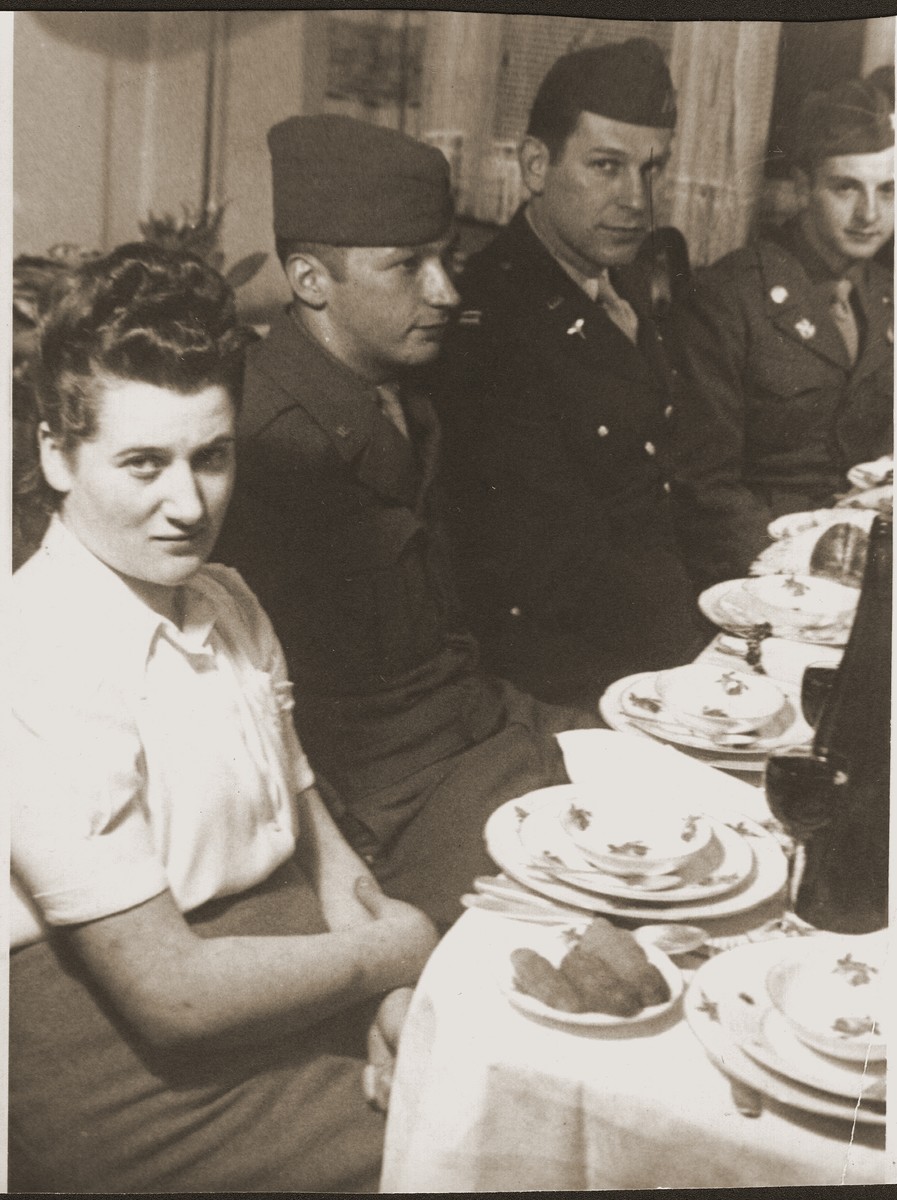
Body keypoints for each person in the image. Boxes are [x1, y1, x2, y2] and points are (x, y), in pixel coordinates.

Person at [8, 243, 439, 1193]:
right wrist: (396, 951)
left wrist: (394, 999)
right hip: (120, 1058)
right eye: (142, 463)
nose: (187, 503)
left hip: (267, 971)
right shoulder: (33, 652)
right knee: (464, 1153)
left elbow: (321, 853)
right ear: (54, 452)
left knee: (479, 1082)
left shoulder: (228, 600)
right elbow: (169, 996)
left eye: (212, 456)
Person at [216, 115, 597, 930]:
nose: (447, 292)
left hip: (481, 727)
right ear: (311, 280)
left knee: (683, 794)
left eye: (447, 260)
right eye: (408, 267)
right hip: (388, 800)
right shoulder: (265, 442)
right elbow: (280, 722)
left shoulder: (397, 392)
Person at [428, 39, 705, 709]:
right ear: (534, 165)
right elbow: (546, 569)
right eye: (606, 166)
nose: (636, 199)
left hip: (654, 640)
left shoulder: (626, 281)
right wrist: (691, 665)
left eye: (651, 168)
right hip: (566, 680)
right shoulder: (490, 320)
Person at [671, 78, 894, 588]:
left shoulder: (888, 294)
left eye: (888, 190)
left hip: (869, 563)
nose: (870, 214)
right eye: (846, 187)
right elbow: (704, 487)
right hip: (764, 569)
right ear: (800, 187)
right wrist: (797, 570)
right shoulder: (729, 297)